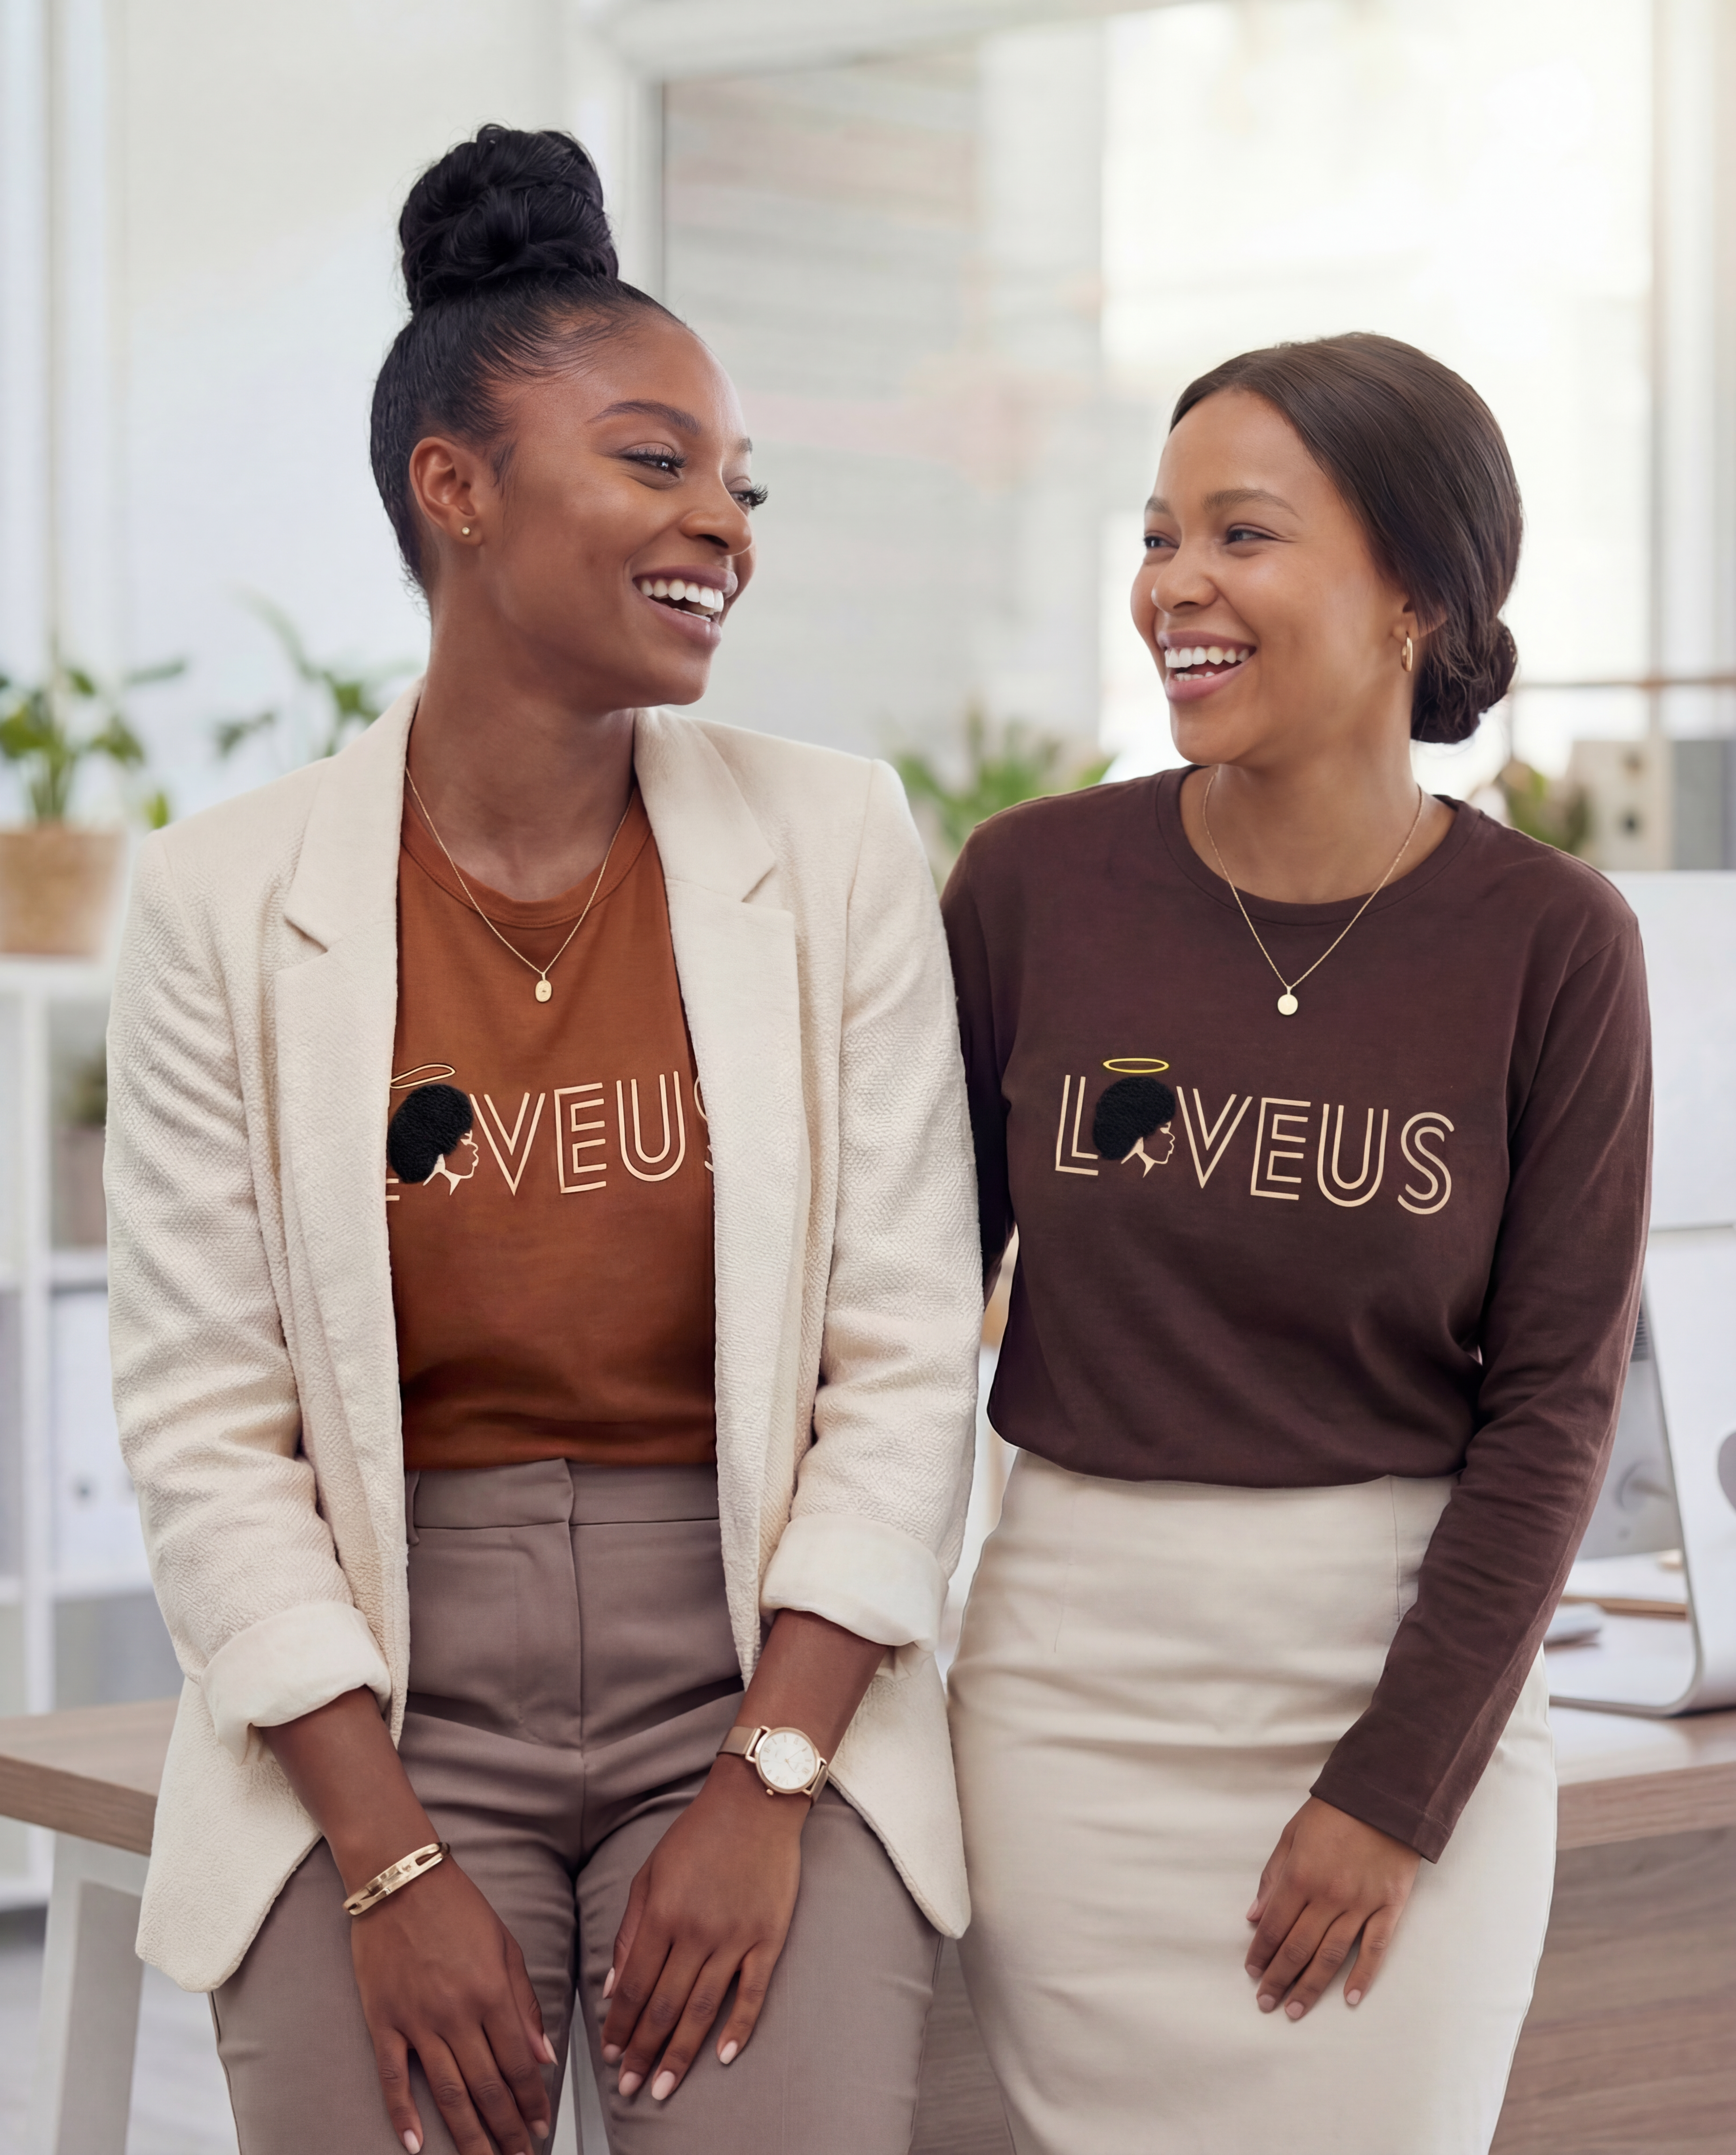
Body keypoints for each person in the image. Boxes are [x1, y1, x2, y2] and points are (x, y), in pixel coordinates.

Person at [106, 124, 981, 2155]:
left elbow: (907, 1362)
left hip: (757, 1663)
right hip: (376, 1697)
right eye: (657, 462)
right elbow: (204, 1421)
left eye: (739, 483)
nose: (722, 523)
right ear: (459, 488)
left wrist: (769, 1779)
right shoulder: (222, 898)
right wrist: (389, 1861)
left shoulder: (832, 839)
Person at [941, 333, 1651, 2155]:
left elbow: (1555, 1411)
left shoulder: (1552, 942)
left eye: (1241, 535)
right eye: (1158, 535)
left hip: (1401, 1681)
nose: (1175, 584)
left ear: (1416, 591)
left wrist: (1397, 1788)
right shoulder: (1028, 889)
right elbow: (902, 1315)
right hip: (1067, 1705)